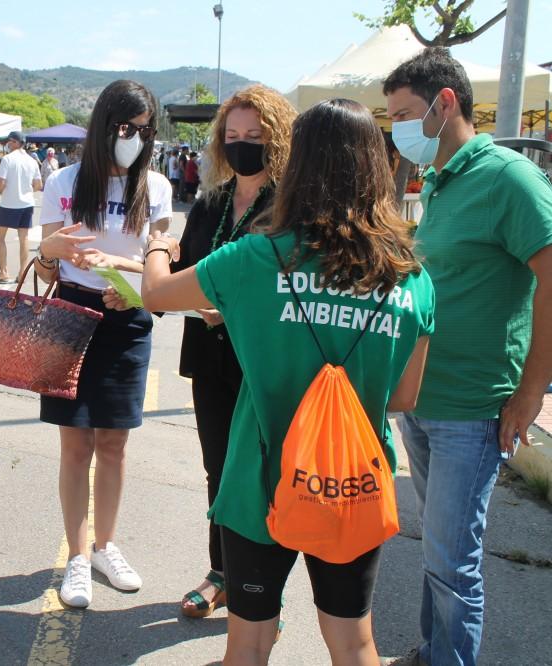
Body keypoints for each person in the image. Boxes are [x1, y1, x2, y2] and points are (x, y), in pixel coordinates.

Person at [142, 98, 435, 666]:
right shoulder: (412, 279)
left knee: (249, 643)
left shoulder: (256, 258)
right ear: (377, 168)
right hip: (352, 483)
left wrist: (158, 246)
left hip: (261, 480)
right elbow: (404, 398)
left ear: (297, 166)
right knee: (354, 641)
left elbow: (156, 292)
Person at [383, 48, 552, 666]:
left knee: (453, 561)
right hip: (423, 400)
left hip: (472, 408)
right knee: (436, 551)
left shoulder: (508, 177)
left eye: (405, 115)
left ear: (445, 102)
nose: (398, 130)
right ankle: (434, 651)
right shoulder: (441, 181)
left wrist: (530, 392)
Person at [34, 80, 172, 608]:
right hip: (71, 313)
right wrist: (48, 250)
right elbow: (47, 268)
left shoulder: (155, 187)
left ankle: (105, 547)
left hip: (128, 318)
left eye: (144, 130)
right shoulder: (63, 181)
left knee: (114, 443)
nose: (133, 138)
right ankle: (76, 556)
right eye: (125, 127)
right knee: (76, 445)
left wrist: (131, 285)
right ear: (103, 126)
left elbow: (161, 266)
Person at [172, 85, 296, 621]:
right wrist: (132, 276)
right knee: (218, 470)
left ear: (278, 139)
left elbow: (294, 287)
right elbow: (183, 268)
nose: (242, 144)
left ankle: (263, 589)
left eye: (255, 135)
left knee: (265, 474)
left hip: (261, 361)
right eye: (233, 135)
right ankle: (222, 572)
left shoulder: (292, 207)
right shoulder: (211, 202)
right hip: (209, 356)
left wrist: (237, 309)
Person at [0, 130, 41, 284]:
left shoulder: (7, 159)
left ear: (16, 143)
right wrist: (26, 191)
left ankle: (3, 272)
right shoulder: (32, 161)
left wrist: (3, 191)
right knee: (23, 238)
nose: (8, 144)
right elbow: (38, 185)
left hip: (9, 204)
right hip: (27, 203)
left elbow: (1, 183)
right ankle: (22, 272)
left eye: (10, 141)